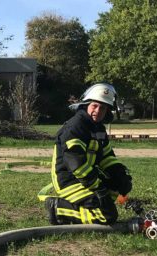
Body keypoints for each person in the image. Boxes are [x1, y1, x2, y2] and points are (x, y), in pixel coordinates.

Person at [38, 82, 132, 225]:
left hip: (87, 178)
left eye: (103, 107)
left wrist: (120, 175)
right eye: (94, 106)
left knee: (114, 187)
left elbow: (106, 157)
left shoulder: (98, 129)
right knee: (108, 216)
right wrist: (98, 188)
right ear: (86, 104)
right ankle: (58, 208)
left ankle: (86, 205)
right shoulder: (75, 127)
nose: (98, 111)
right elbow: (77, 165)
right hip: (69, 181)